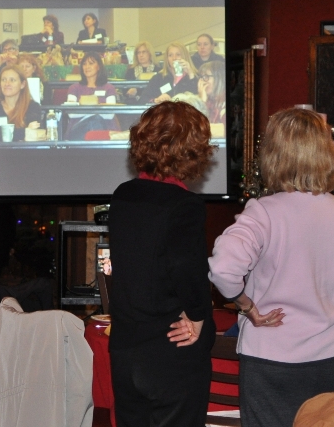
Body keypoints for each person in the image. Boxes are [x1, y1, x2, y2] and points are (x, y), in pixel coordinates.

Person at [207, 108, 334, 427]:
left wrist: (247, 306)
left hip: (271, 356)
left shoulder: (264, 212)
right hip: (330, 355)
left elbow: (223, 268)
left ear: (274, 155)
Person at [109, 101, 217, 427]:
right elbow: (186, 268)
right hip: (170, 351)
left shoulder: (122, 195)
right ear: (192, 150)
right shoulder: (184, 205)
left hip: (125, 350)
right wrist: (198, 315)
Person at [0, 66, 42, 141]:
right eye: (4, 80)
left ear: (22, 84)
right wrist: (24, 132)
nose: (7, 84)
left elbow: (35, 134)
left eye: (12, 80)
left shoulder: (32, 107)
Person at [65, 51, 118, 139]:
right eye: (84, 64)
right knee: (95, 119)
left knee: (96, 120)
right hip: (78, 128)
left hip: (105, 126)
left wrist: (84, 108)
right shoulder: (74, 88)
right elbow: (71, 113)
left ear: (99, 66)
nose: (87, 67)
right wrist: (98, 108)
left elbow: (110, 114)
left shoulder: (109, 88)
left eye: (91, 63)